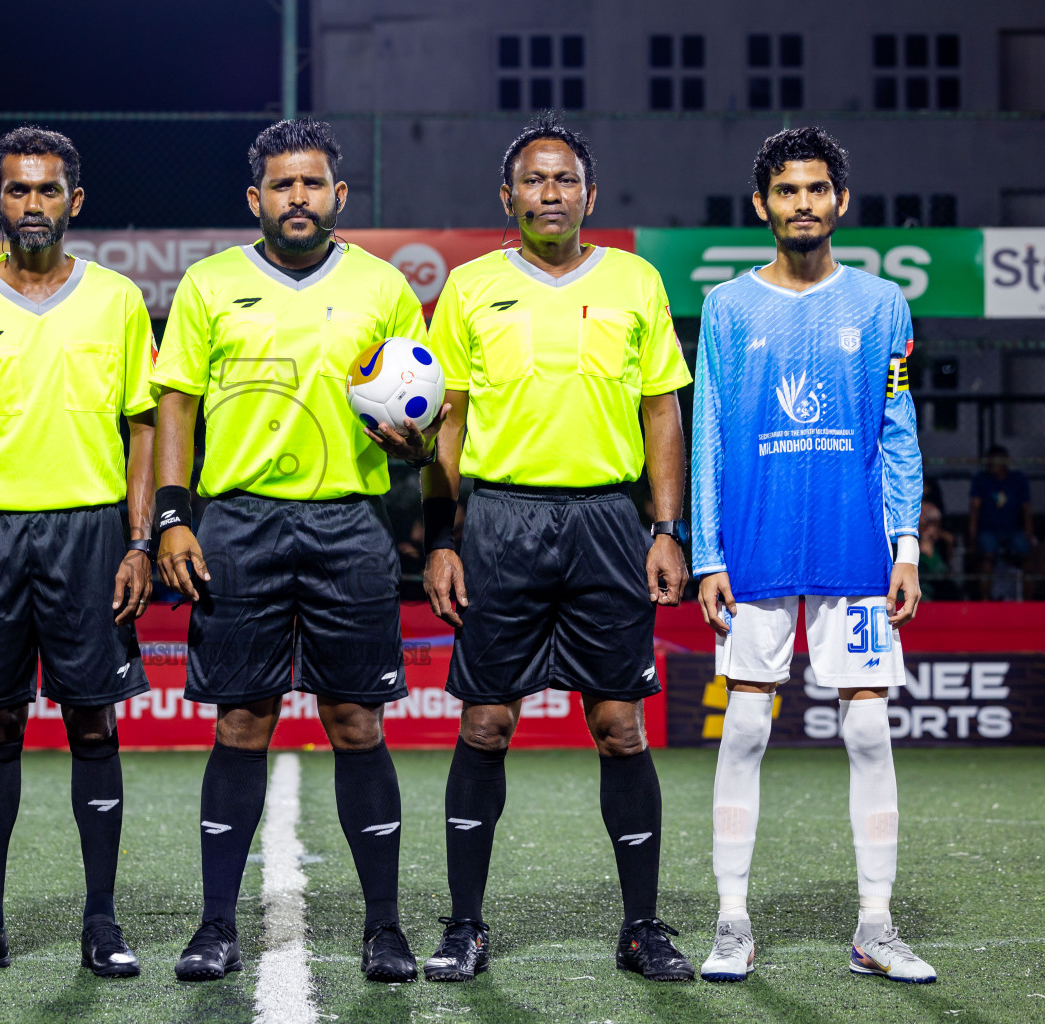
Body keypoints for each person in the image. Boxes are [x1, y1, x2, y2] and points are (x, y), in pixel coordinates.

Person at [386, 114, 696, 983]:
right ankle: (466, 928)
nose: (550, 193)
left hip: (606, 522)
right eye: (534, 180)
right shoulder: (472, 287)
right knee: (485, 723)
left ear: (589, 195)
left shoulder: (636, 282)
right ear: (507, 195)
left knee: (618, 726)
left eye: (565, 180)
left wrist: (666, 529)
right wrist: (441, 539)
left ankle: (642, 927)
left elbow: (662, 410)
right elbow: (445, 421)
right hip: (500, 524)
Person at [154, 118, 426, 983]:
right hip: (237, 524)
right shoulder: (208, 285)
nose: (297, 198)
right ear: (255, 199)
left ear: (339, 197)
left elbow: (421, 420)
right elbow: (176, 409)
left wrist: (412, 441)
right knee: (243, 719)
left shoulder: (385, 289)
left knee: (356, 721)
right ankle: (216, 926)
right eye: (282, 185)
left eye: (312, 184)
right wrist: (170, 516)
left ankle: (383, 927)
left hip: (351, 524)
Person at [0, 127, 156, 980]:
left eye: (48, 190)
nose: (33, 205)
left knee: (94, 720)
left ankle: (101, 920)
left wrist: (139, 539)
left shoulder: (119, 300)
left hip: (89, 533)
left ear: (74, 202)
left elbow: (144, 427)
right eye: (17, 191)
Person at [692, 127, 933, 984]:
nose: (802, 203)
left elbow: (898, 427)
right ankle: (731, 923)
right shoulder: (727, 308)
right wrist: (706, 552)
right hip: (754, 545)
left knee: (869, 728)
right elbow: (709, 437)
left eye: (816, 189)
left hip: (854, 543)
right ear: (762, 205)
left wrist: (905, 540)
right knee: (747, 726)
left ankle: (875, 926)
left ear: (840, 201)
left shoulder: (882, 307)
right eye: (786, 190)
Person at [968, 445, 1034, 600]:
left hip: (1013, 530)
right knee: (987, 556)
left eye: (996, 461)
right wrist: (972, 535)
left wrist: (1029, 534)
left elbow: (1026, 510)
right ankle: (986, 600)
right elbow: (974, 510)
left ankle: (1029, 602)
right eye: (990, 462)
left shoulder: (1017, 479)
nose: (992, 465)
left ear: (1005, 462)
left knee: (1027, 558)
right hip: (989, 530)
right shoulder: (981, 480)